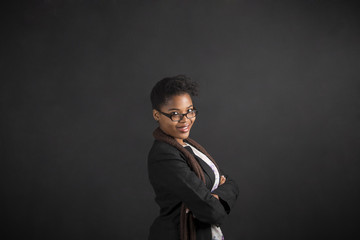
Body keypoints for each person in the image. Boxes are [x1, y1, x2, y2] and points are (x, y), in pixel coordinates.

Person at [147, 75, 239, 240]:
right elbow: (213, 213)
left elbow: (231, 184)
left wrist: (214, 197)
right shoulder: (165, 155)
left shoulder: (190, 147)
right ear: (156, 115)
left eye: (189, 111)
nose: (185, 120)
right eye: (175, 114)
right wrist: (212, 200)